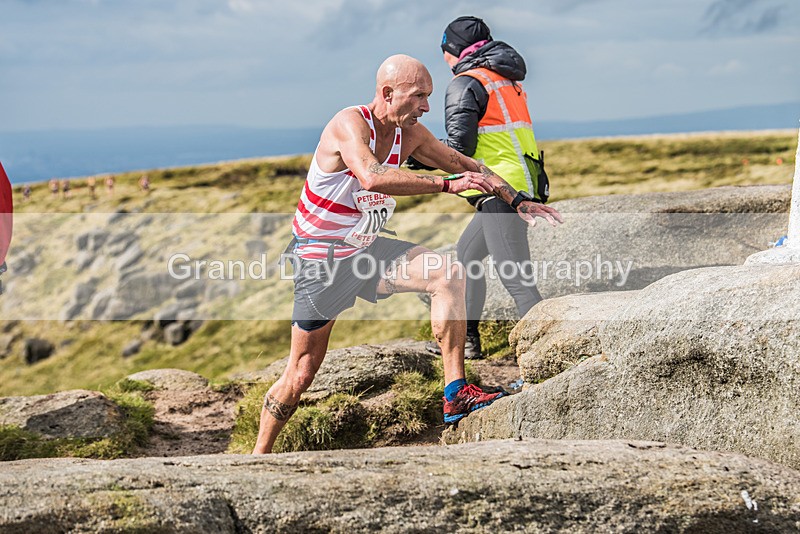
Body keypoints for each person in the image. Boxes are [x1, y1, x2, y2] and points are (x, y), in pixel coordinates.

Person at [252, 54, 562, 454]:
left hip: (367, 251)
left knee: (447, 273)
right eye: (418, 96)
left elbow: (469, 165)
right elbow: (372, 175)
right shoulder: (349, 124)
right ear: (387, 93)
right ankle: (259, 455)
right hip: (321, 260)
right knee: (301, 373)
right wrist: (446, 186)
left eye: (428, 97)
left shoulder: (410, 134)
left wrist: (517, 199)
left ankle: (456, 394)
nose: (426, 106)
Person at [419, 16, 551, 359]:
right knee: (466, 258)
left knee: (517, 280)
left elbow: (459, 145)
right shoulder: (504, 78)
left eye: (444, 51)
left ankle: (544, 357)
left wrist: (418, 157)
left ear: (454, 50)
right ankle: (468, 341)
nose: (444, 60)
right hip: (519, 182)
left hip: (500, 189)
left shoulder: (465, 82)